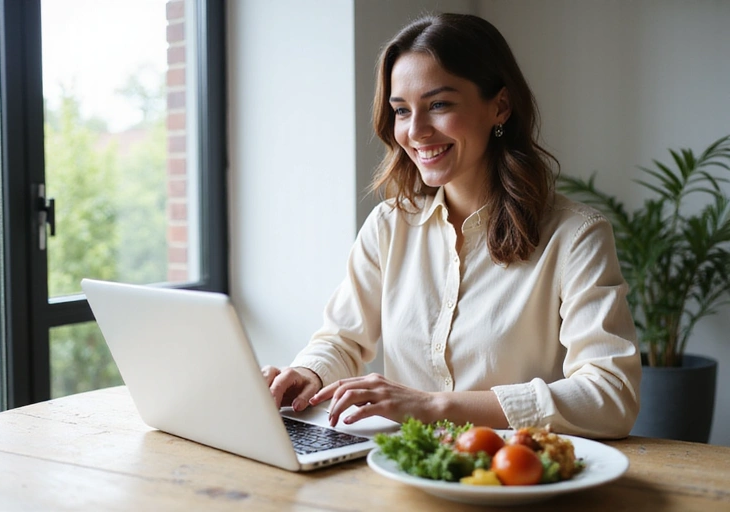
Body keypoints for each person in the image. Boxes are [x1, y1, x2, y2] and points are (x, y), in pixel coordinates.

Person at [262, 13, 641, 439]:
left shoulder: (575, 237)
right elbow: (343, 339)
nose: (416, 131)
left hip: (518, 479)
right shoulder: (389, 226)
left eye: (439, 105)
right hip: (404, 472)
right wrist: (308, 372)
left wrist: (433, 407)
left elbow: (611, 395)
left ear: (500, 106)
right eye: (401, 111)